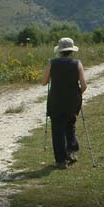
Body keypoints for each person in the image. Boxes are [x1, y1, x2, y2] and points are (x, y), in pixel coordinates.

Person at [41, 37, 87, 169]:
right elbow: (84, 85)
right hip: (72, 101)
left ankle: (61, 161)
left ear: (60, 51)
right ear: (71, 51)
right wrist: (77, 94)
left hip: (56, 101)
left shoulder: (52, 63)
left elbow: (44, 82)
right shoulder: (77, 63)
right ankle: (71, 151)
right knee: (70, 124)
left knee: (57, 130)